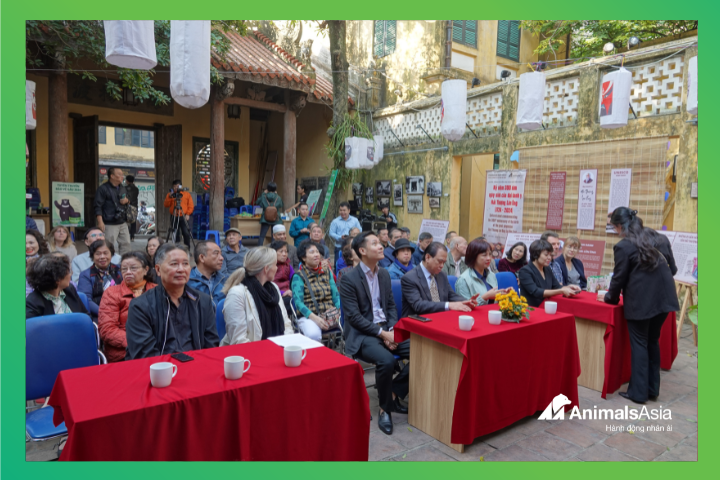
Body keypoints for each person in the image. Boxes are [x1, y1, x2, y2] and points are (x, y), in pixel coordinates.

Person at [600, 207, 679, 404]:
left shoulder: (624, 246)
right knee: (652, 341)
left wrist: (609, 298)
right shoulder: (659, 238)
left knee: (640, 343)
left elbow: (618, 279)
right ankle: (652, 389)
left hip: (641, 302)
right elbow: (674, 269)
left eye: (614, 227)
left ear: (620, 226)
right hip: (665, 299)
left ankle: (638, 393)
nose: (616, 231)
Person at [338, 231, 410, 435]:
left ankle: (394, 393)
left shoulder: (384, 274)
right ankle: (384, 409)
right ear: (362, 251)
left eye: (380, 243)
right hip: (363, 334)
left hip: (385, 330)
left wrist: (392, 331)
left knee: (424, 350)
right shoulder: (348, 279)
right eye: (375, 243)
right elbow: (354, 318)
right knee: (386, 361)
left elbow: (391, 307)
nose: (381, 246)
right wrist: (382, 334)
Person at [125, 244, 219, 359]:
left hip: (196, 367)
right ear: (158, 270)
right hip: (159, 372)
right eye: (174, 264)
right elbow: (145, 355)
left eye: (185, 264)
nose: (181, 269)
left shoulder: (202, 301)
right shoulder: (140, 306)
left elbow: (211, 345)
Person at [221, 247, 293, 345]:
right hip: (249, 355)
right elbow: (238, 341)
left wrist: (285, 347)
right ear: (266, 268)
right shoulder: (237, 294)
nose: (277, 268)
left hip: (278, 349)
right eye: (275, 265)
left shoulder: (274, 288)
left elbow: (286, 324)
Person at [98, 252, 157, 362]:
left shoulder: (157, 291)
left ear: (146, 270)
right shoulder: (112, 293)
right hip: (124, 354)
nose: (128, 272)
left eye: (133, 268)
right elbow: (107, 329)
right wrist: (139, 342)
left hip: (156, 351)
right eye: (124, 269)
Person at [401, 242, 477, 317]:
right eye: (440, 261)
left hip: (440, 317)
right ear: (427, 257)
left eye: (444, 262)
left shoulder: (442, 275)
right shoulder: (409, 278)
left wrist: (466, 301)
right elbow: (418, 305)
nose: (442, 266)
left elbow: (451, 295)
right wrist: (449, 305)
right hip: (418, 320)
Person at [291, 240, 341, 341]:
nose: (316, 255)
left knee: (353, 324)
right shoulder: (298, 276)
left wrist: (339, 311)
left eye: (317, 252)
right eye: (312, 252)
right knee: (313, 334)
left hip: (330, 313)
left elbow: (335, 294)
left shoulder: (327, 272)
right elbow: (298, 303)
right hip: (309, 316)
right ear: (303, 258)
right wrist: (315, 318)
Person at [518, 240, 580, 308]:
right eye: (546, 255)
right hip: (531, 309)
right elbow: (536, 292)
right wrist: (561, 291)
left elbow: (556, 286)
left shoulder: (547, 269)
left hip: (546, 306)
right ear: (535, 255)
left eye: (550, 255)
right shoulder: (525, 271)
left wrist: (569, 287)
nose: (549, 258)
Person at [26, 254, 88, 318]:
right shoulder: (32, 303)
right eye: (68, 272)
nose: (71, 274)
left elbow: (85, 315)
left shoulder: (70, 289)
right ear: (58, 279)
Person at [455, 238, 510, 305]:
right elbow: (465, 307)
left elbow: (494, 301)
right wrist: (485, 297)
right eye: (484, 255)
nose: (489, 258)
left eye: (490, 254)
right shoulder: (463, 280)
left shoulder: (491, 275)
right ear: (473, 256)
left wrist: (504, 294)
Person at [77, 240, 124, 314]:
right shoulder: (86, 275)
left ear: (111, 254)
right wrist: (105, 313)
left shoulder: (121, 270)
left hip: (123, 311)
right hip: (99, 314)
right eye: (98, 254)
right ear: (92, 256)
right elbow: (86, 300)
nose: (102, 257)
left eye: (105, 253)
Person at [94, 166, 131, 255]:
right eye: (119, 174)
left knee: (126, 244)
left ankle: (125, 263)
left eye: (122, 174)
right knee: (108, 245)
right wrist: (100, 222)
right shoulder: (103, 189)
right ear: (112, 176)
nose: (122, 176)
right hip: (109, 223)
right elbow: (97, 206)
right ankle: (109, 264)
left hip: (122, 221)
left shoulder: (123, 188)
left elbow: (129, 200)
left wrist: (126, 201)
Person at [188, 240, 228, 307]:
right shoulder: (187, 281)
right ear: (202, 257)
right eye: (216, 253)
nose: (221, 258)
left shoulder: (225, 279)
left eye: (221, 254)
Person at [329, 202, 362, 269]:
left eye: (344, 210)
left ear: (349, 210)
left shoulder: (354, 220)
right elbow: (331, 233)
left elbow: (360, 230)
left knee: (353, 264)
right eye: (340, 210)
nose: (342, 212)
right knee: (338, 264)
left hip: (352, 246)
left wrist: (353, 235)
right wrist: (339, 237)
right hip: (339, 246)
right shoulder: (335, 221)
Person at [163, 179, 195, 249]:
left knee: (186, 233)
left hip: (183, 216)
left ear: (180, 186)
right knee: (175, 233)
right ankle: (176, 249)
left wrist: (188, 214)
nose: (176, 188)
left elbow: (191, 205)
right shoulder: (171, 195)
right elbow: (166, 205)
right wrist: (169, 197)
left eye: (177, 186)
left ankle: (187, 249)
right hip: (174, 216)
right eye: (174, 187)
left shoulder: (187, 194)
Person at [269, 241, 295, 313]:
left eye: (286, 252)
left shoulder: (288, 266)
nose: (284, 254)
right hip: (276, 295)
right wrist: (282, 293)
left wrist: (293, 291)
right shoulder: (269, 267)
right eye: (281, 251)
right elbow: (268, 286)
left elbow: (294, 280)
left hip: (289, 293)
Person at [125, 175, 139, 242]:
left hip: (127, 205)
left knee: (126, 221)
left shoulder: (124, 188)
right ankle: (132, 237)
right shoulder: (136, 189)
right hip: (134, 206)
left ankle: (126, 236)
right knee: (133, 221)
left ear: (127, 181)